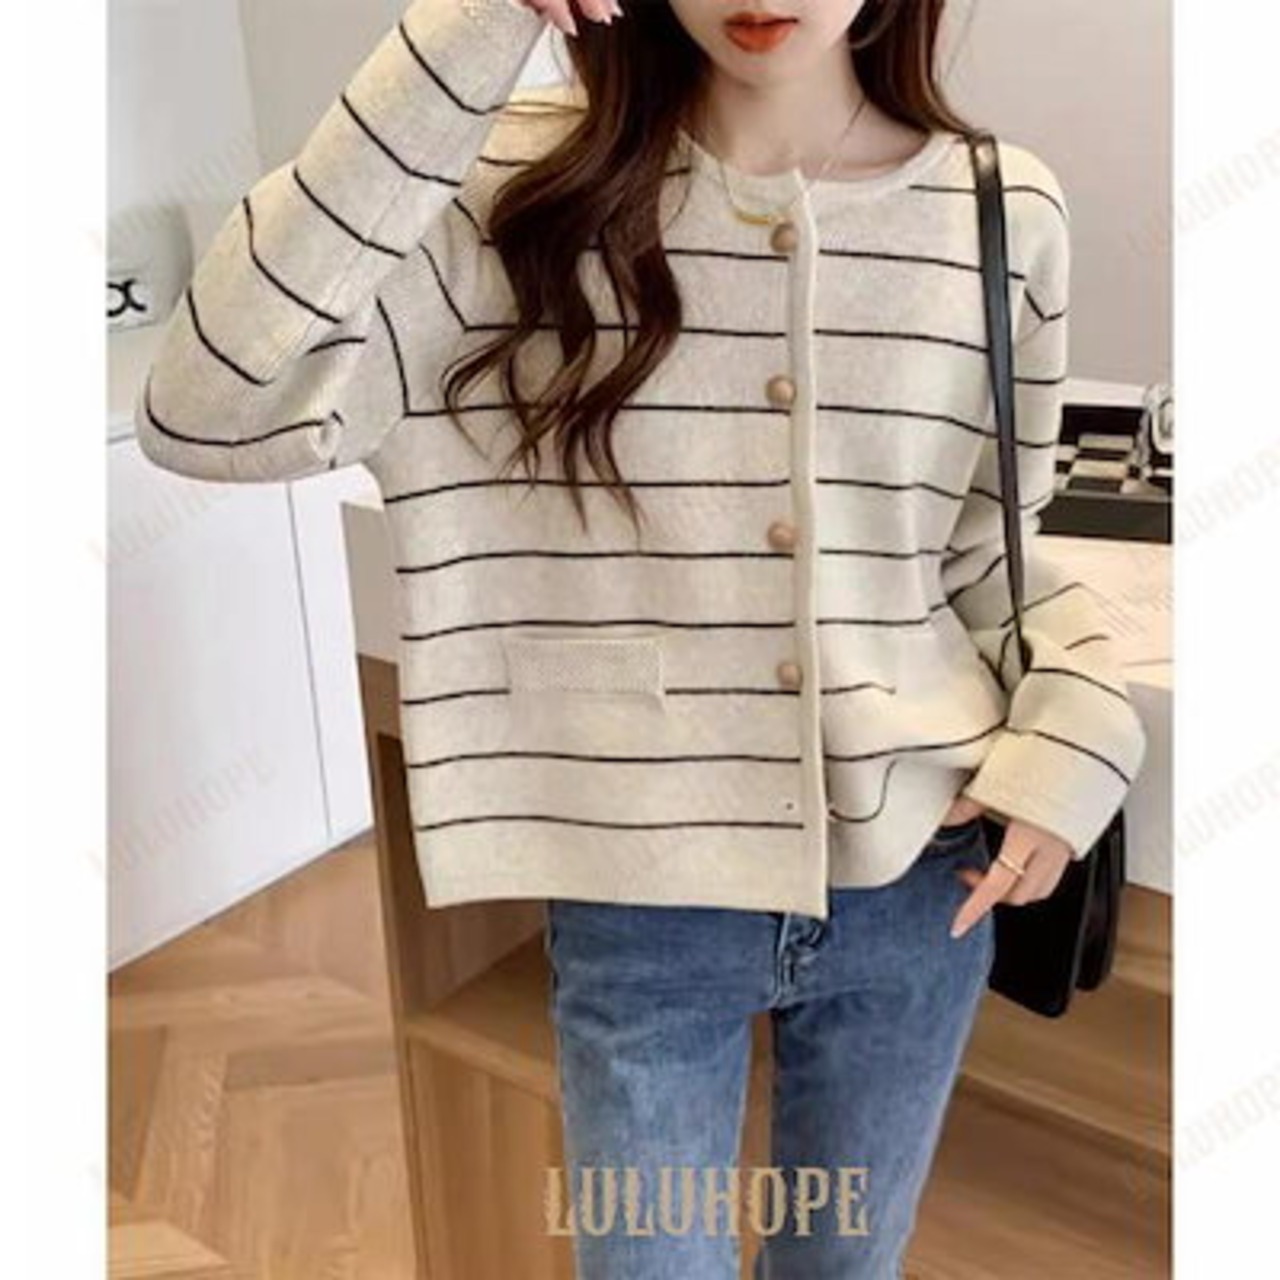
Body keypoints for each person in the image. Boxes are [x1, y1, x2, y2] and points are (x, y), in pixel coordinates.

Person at [134, 0, 1148, 1275]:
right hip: (641, 900)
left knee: (844, 1262)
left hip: (916, 885)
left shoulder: (1002, 211)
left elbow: (981, 555)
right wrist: (469, 26)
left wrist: (1075, 736)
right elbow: (204, 409)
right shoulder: (510, 198)